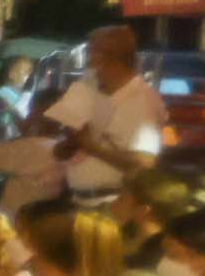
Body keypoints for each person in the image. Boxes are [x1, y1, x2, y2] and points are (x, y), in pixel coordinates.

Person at [44, 26, 166, 202]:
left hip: (111, 204)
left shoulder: (144, 101)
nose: (87, 61)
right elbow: (63, 152)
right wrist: (71, 142)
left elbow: (144, 165)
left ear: (106, 57)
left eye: (90, 52)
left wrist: (92, 147)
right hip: (79, 201)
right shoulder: (91, 92)